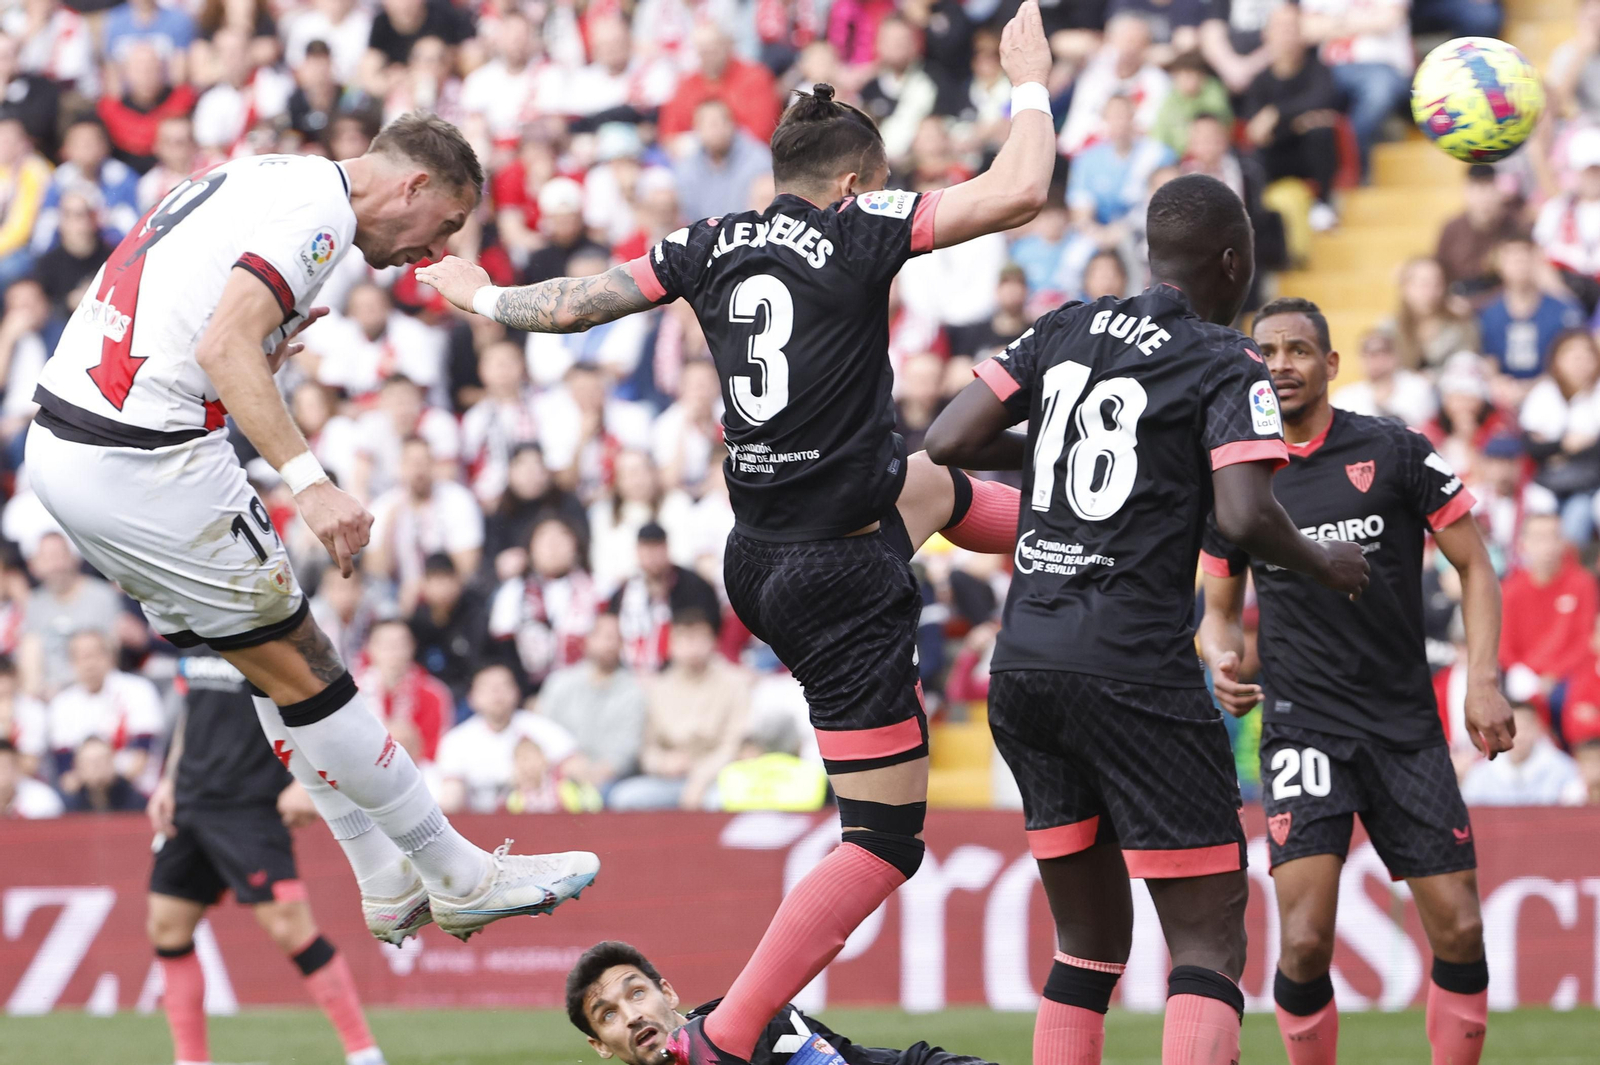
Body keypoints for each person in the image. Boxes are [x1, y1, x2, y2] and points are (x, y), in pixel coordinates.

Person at [418, 5, 1057, 1057]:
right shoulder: (864, 226)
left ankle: (1086, 541)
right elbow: (1022, 187)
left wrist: (483, 296)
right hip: (835, 574)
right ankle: (729, 1037)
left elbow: (579, 302)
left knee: (929, 483)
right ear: (856, 179)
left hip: (762, 551)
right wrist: (1025, 81)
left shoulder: (706, 242)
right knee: (884, 841)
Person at [25, 111, 597, 948]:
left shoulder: (272, 171)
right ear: (413, 185)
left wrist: (249, 364)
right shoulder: (322, 214)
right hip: (143, 460)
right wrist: (311, 482)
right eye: (443, 225)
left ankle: (383, 878)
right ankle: (459, 874)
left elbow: (189, 325)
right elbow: (226, 345)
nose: (429, 251)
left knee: (267, 661)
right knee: (308, 659)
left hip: (69, 448)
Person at [923, 173, 1370, 1065]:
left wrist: (1061, 440)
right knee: (1208, 941)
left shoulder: (1067, 324)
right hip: (1132, 668)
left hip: (1024, 666)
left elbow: (946, 440)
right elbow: (1243, 517)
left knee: (1085, 945)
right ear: (1234, 262)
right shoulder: (1222, 361)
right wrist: (1326, 562)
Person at [1196, 296, 1513, 1065]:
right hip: (1304, 729)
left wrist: (1483, 678)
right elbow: (1219, 609)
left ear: (1330, 364)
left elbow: (1474, 563)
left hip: (1406, 726)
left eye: (1298, 350)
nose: (1281, 365)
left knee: (1462, 928)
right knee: (1303, 939)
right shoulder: (1240, 479)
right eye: (1266, 352)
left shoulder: (1396, 451)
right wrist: (1222, 653)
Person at [146, 650, 387, 1065]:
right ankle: (190, 1060)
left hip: (251, 806)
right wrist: (168, 779)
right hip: (189, 803)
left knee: (289, 927)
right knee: (167, 927)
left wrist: (309, 781)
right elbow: (192, 713)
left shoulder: (265, 626)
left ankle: (363, 1052)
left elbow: (314, 704)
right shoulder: (190, 627)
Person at [566, 940, 995, 1065]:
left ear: (669, 993)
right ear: (599, 1044)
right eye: (608, 1015)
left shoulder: (752, 1026)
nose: (632, 1015)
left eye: (637, 992)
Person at [1459, 702, 1587, 806]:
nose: (1518, 737)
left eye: (1524, 728)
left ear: (1538, 729)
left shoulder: (1565, 769)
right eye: (1510, 730)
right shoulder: (1480, 773)